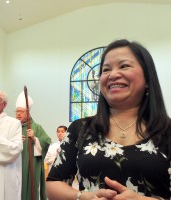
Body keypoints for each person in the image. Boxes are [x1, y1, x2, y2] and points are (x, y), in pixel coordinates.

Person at [46, 39, 171, 200]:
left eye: (124, 66)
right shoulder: (80, 129)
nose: (112, 75)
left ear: (148, 78)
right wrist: (83, 197)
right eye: (106, 70)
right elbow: (53, 183)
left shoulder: (167, 131)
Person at [15, 91, 51, 200]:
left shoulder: (36, 127)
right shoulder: (11, 126)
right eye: (17, 111)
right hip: (13, 166)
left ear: (28, 113)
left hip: (29, 165)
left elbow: (47, 141)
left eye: (21, 111)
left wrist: (35, 139)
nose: (18, 114)